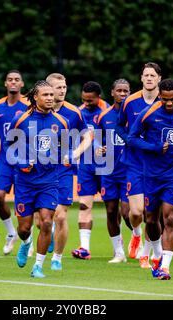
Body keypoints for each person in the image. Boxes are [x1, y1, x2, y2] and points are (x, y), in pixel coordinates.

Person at [128, 79, 173, 280]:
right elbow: (132, 138)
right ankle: (157, 255)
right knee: (151, 219)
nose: (169, 104)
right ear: (160, 96)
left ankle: (165, 266)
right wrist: (154, 147)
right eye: (165, 99)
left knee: (170, 218)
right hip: (151, 174)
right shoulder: (148, 114)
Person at [6, 80, 69, 278]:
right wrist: (22, 163)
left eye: (52, 95)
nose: (51, 98)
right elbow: (9, 150)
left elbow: (65, 148)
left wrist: (63, 156)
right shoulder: (21, 120)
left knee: (47, 221)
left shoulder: (61, 122)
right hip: (25, 183)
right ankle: (26, 243)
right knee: (24, 228)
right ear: (35, 97)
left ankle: (38, 266)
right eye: (46, 95)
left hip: (49, 181)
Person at [115, 62, 162, 268]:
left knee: (151, 214)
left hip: (158, 165)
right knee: (135, 212)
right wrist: (129, 139)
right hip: (134, 162)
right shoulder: (130, 102)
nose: (149, 78)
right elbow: (118, 125)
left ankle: (148, 252)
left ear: (159, 78)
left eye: (153, 75)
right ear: (141, 78)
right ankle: (135, 234)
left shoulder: (166, 101)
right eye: (146, 75)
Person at [44, 73, 92, 270]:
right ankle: (38, 237)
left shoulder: (74, 113)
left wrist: (75, 153)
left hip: (64, 169)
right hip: (40, 170)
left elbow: (87, 138)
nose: (62, 90)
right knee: (43, 220)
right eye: (58, 87)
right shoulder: (35, 112)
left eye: (64, 87)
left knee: (61, 215)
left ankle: (57, 258)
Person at [0, 70, 30, 255]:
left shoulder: (29, 105)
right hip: (5, 160)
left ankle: (28, 240)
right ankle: (11, 233)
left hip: (24, 160)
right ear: (5, 83)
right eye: (10, 80)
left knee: (27, 203)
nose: (13, 82)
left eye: (17, 80)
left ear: (22, 84)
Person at [71, 81, 110, 260]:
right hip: (86, 166)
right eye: (84, 100)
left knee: (115, 209)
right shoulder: (78, 113)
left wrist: (105, 146)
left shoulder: (109, 112)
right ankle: (84, 248)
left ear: (98, 97)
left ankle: (131, 243)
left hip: (107, 165)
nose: (87, 103)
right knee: (84, 204)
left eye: (90, 100)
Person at [96, 79, 132, 263]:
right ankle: (118, 252)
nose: (123, 94)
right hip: (109, 170)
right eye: (119, 90)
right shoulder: (104, 116)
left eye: (126, 90)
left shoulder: (135, 115)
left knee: (128, 213)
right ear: (112, 93)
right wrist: (99, 147)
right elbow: (96, 139)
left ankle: (137, 236)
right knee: (111, 211)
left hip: (128, 170)